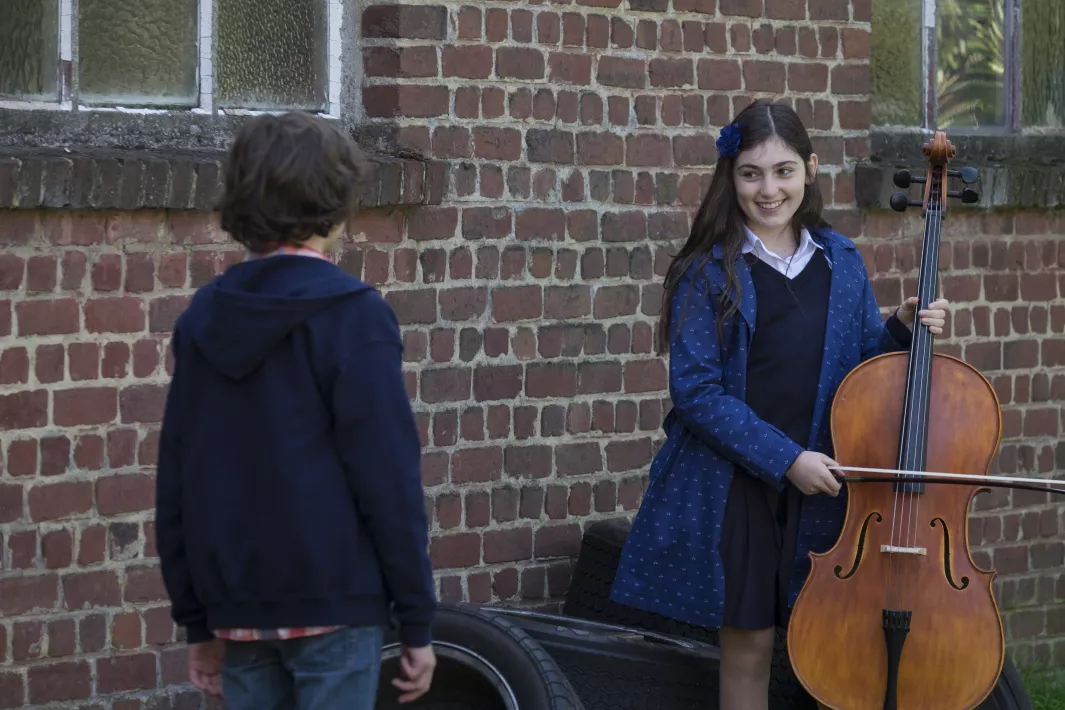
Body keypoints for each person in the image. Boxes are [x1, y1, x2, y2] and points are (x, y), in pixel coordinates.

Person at [609, 99, 949, 710]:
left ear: (811, 170)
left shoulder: (840, 260)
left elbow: (855, 364)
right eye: (751, 173)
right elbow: (696, 393)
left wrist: (897, 326)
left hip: (824, 483)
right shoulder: (708, 269)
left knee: (833, 640)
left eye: (784, 171)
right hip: (739, 486)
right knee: (751, 648)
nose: (769, 190)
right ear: (730, 176)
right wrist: (787, 458)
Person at [155, 111, 437, 710]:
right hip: (335, 601)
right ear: (334, 206)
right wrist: (417, 620)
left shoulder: (203, 318)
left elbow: (178, 481)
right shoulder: (354, 315)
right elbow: (387, 477)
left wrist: (197, 621)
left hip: (237, 608)